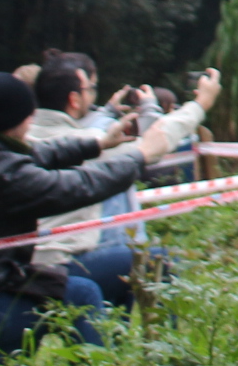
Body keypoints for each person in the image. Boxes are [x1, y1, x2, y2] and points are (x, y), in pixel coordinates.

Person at [0, 68, 217, 366]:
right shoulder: (7, 174)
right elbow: (80, 185)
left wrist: (97, 144)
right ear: (16, 121)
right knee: (79, 294)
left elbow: (38, 153)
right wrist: (141, 154)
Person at [29, 60, 197, 309]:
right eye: (91, 89)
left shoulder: (23, 140)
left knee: (125, 266)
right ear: (74, 99)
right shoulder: (87, 142)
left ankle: (118, 329)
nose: (93, 96)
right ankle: (158, 333)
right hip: (60, 262)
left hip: (24, 260)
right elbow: (153, 145)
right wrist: (199, 104)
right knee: (159, 261)